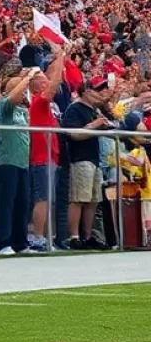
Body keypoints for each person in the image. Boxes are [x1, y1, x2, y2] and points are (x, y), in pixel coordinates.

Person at [63, 76, 113, 249]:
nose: (99, 94)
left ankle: (88, 235)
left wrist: (103, 125)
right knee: (78, 198)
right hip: (80, 158)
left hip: (94, 158)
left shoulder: (93, 110)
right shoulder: (75, 109)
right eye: (97, 90)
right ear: (86, 91)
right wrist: (95, 125)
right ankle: (74, 236)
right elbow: (74, 134)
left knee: (93, 199)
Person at [0, 67, 35, 255]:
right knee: (6, 203)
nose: (23, 93)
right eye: (20, 90)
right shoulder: (3, 106)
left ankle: (20, 242)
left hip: (22, 162)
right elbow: (13, 96)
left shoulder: (23, 111)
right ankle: (3, 242)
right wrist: (28, 77)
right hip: (7, 160)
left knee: (22, 203)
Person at [28, 48, 66, 252]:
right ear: (37, 86)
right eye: (43, 80)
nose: (47, 81)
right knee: (42, 198)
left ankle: (45, 236)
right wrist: (61, 58)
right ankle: (38, 237)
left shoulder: (42, 104)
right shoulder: (39, 102)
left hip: (50, 155)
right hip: (42, 156)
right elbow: (56, 82)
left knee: (47, 199)